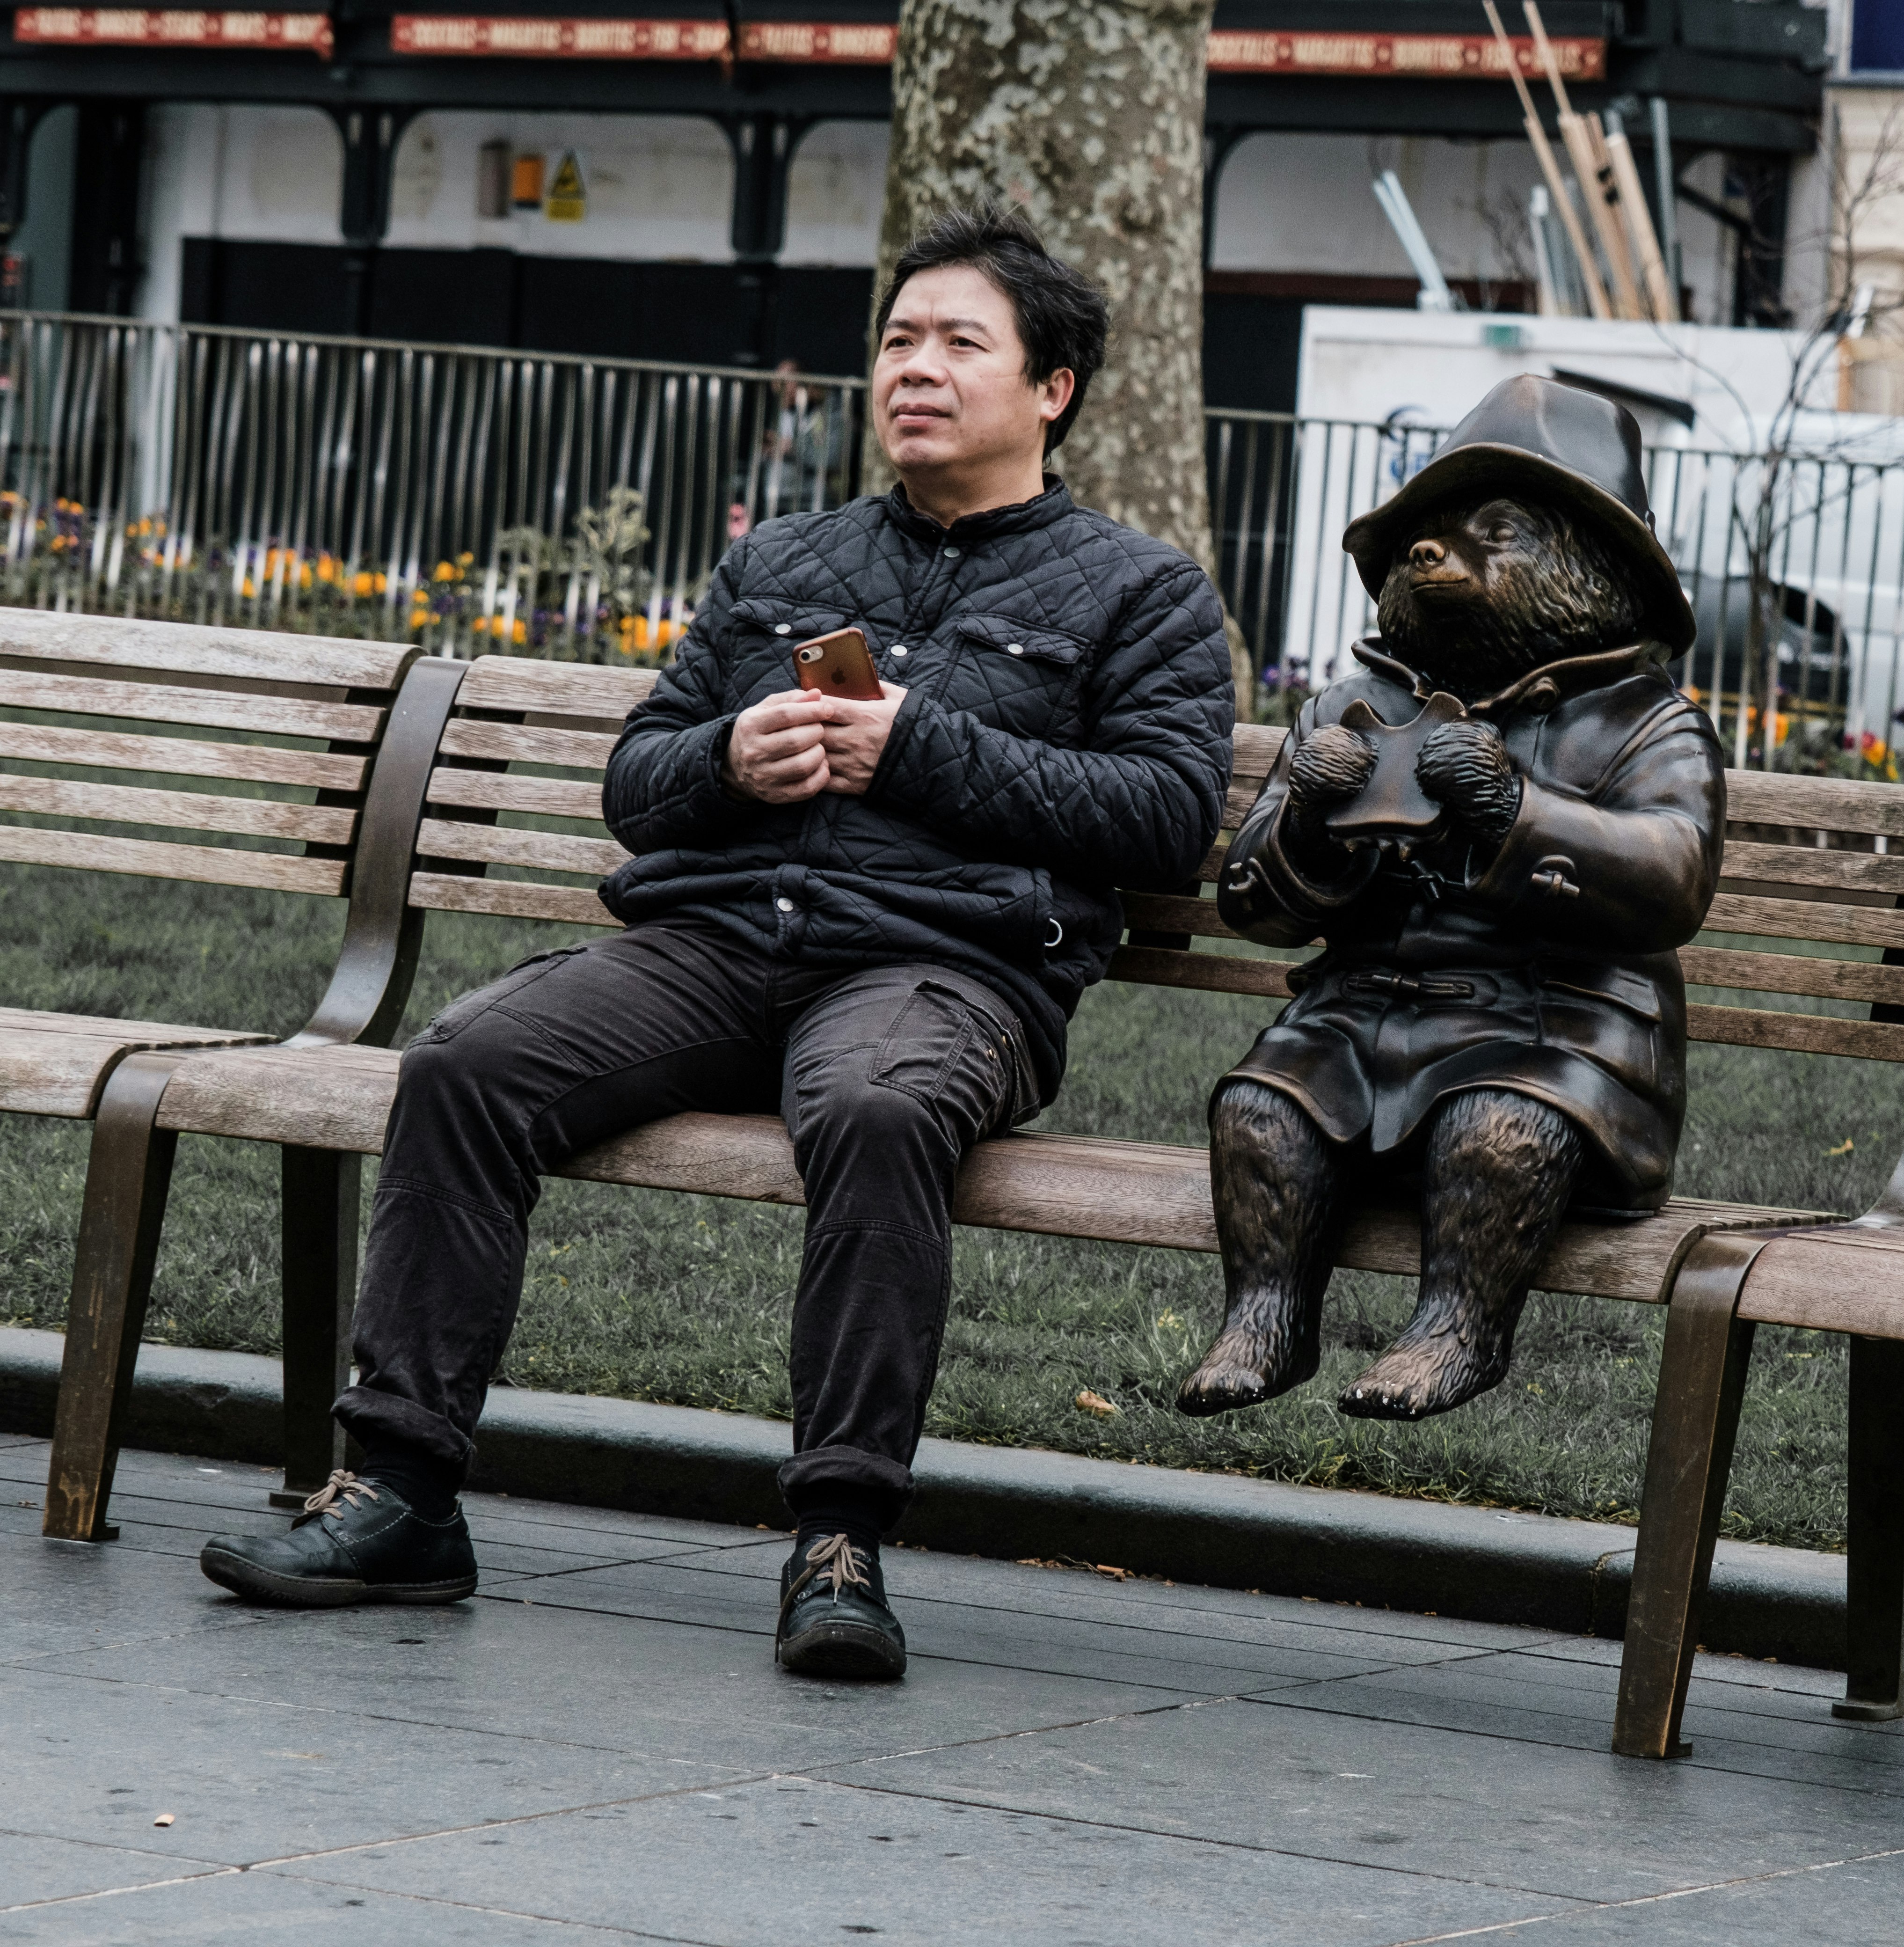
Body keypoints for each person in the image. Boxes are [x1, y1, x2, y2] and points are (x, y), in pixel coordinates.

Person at [197, 205, 1236, 1681]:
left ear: (1050, 388)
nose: (915, 371)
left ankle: (840, 1544)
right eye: (897, 341)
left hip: (942, 970)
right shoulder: (784, 563)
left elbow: (1163, 820)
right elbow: (638, 778)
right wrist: (729, 762)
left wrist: (917, 751)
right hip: (722, 945)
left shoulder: (1144, 593)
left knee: (877, 1111)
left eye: (959, 343)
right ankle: (404, 1495)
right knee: (469, 1062)